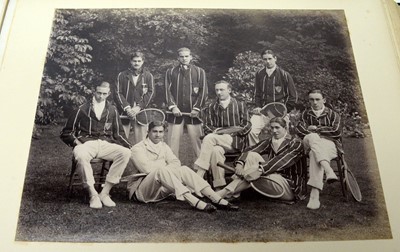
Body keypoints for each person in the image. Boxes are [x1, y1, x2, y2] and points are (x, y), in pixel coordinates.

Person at [128, 121, 238, 212]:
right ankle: (194, 201)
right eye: (154, 132)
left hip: (162, 190)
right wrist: (165, 166)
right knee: (161, 171)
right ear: (148, 132)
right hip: (142, 192)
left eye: (160, 132)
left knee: (184, 169)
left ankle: (215, 198)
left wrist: (164, 168)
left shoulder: (163, 146)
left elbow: (176, 162)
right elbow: (147, 169)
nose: (158, 135)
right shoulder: (137, 148)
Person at [60, 82, 132, 209]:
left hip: (105, 143)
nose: (101, 96)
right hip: (87, 143)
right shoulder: (81, 109)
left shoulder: (112, 110)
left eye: (104, 94)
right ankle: (92, 194)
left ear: (109, 94)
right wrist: (77, 142)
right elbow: (66, 132)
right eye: (99, 93)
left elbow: (118, 133)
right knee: (81, 155)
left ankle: (105, 193)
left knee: (125, 153)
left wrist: (129, 146)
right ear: (94, 92)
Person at [217, 117, 307, 202]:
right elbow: (248, 150)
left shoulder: (296, 143)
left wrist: (259, 170)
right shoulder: (271, 141)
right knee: (251, 155)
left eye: (277, 128)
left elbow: (281, 161)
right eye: (272, 128)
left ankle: (220, 194)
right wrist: (239, 164)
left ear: (285, 128)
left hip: (291, 187)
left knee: (254, 169)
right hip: (273, 178)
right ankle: (234, 194)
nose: (274, 131)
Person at [194, 80, 252, 189]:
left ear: (229, 90)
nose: (219, 92)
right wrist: (220, 132)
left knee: (210, 138)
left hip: (236, 142)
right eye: (217, 90)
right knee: (215, 151)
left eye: (222, 89)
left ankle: (199, 173)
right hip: (218, 142)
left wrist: (231, 132)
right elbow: (207, 126)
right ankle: (219, 186)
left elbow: (247, 125)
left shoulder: (239, 105)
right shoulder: (212, 106)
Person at [296, 89, 342, 210]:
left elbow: (336, 132)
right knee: (313, 137)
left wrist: (317, 129)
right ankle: (328, 170)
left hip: (329, 146)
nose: (314, 102)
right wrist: (314, 133)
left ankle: (314, 196)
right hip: (309, 142)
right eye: (311, 99)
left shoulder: (333, 114)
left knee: (313, 154)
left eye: (317, 99)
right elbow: (299, 130)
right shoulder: (305, 114)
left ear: (324, 100)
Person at [165, 47, 208, 158]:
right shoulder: (170, 72)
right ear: (178, 58)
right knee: (172, 144)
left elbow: (203, 92)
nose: (184, 58)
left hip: (193, 114)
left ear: (191, 57)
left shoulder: (199, 72)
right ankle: (173, 169)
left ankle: (199, 170)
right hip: (175, 114)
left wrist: (197, 108)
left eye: (186, 56)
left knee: (198, 144)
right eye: (182, 56)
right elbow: (167, 91)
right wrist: (173, 107)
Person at [249, 49, 298, 146]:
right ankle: (255, 155)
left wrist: (285, 111)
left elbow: (293, 96)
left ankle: (284, 157)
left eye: (270, 58)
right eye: (265, 59)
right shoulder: (259, 74)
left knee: (283, 137)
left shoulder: (284, 75)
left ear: (275, 59)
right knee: (251, 130)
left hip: (280, 113)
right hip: (263, 113)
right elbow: (257, 93)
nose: (267, 61)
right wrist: (258, 107)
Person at [114, 51, 155, 144]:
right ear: (130, 61)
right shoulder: (122, 75)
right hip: (124, 112)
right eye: (134, 61)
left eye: (139, 61)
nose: (136, 63)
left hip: (141, 112)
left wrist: (138, 107)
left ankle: (141, 158)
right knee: (121, 141)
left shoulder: (148, 76)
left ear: (143, 61)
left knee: (142, 143)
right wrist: (127, 108)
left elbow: (151, 93)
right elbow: (117, 93)